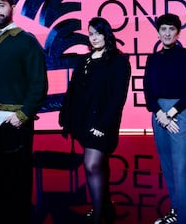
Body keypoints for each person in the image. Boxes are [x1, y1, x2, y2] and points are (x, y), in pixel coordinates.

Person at [0, 0, 49, 223]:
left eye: (1, 5)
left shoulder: (25, 40)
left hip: (15, 119)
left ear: (12, 7)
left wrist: (23, 114)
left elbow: (39, 82)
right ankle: (0, 208)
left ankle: (18, 215)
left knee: (17, 172)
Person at [58, 16, 131, 224]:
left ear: (106, 34)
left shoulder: (119, 61)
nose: (94, 37)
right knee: (100, 166)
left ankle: (98, 216)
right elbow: (73, 91)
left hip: (103, 124)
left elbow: (118, 98)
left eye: (98, 33)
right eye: (91, 34)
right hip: (83, 122)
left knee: (91, 165)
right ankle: (106, 209)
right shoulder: (85, 60)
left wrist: (102, 125)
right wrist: (66, 116)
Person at [143, 13, 186, 224]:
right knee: (167, 166)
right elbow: (148, 90)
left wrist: (170, 114)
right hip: (158, 115)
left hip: (180, 114)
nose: (167, 33)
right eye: (163, 29)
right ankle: (176, 212)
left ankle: (185, 220)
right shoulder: (153, 58)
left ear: (178, 31)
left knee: (181, 168)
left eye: (171, 29)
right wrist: (159, 113)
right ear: (158, 32)